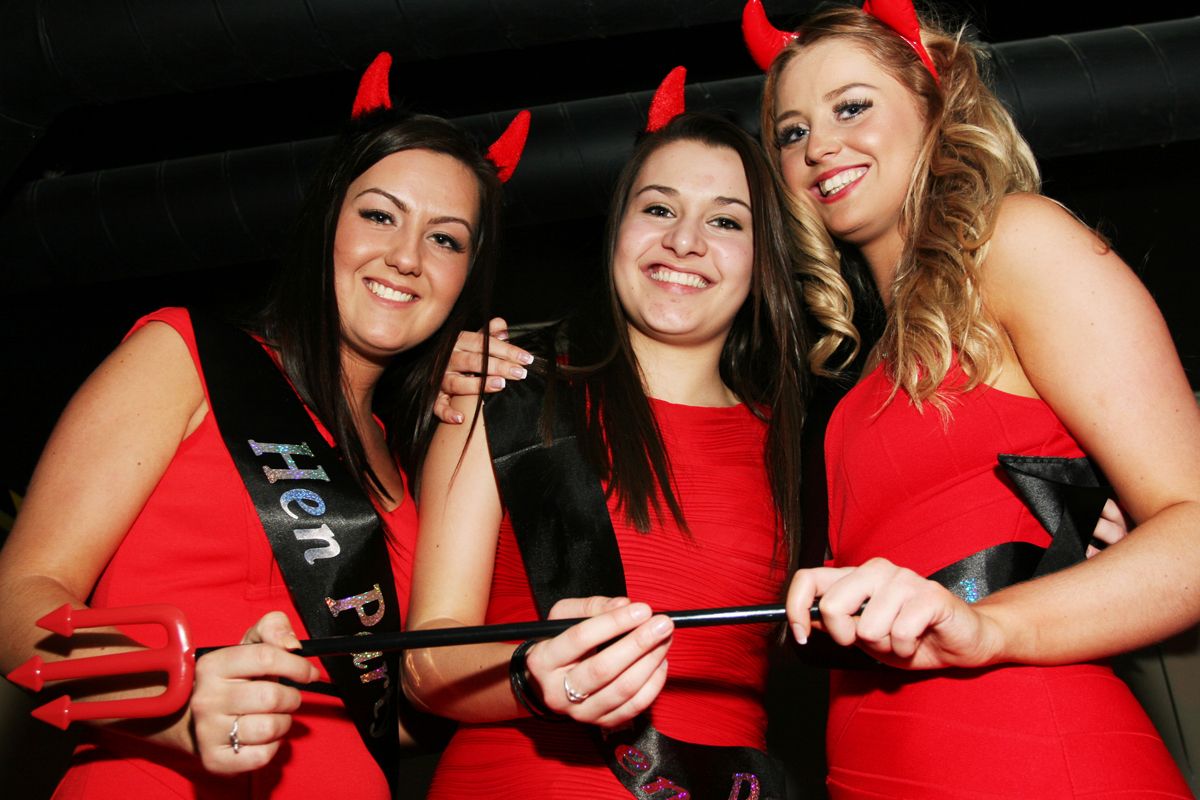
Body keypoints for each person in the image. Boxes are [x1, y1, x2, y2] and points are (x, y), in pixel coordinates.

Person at [741, 2, 1200, 797]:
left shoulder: (1015, 240)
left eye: (852, 107)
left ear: (936, 101)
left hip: (1029, 753)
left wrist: (989, 626)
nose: (817, 147)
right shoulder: (867, 368)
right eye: (791, 131)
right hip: (876, 766)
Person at [0, 96, 507, 797]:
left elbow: (388, 716)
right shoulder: (186, 357)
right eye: (379, 215)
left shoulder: (409, 468)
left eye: (445, 240)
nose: (406, 257)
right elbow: (19, 594)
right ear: (325, 220)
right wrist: (173, 701)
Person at [403, 112, 812, 798]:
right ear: (617, 228)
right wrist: (534, 676)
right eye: (659, 209)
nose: (684, 241)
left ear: (765, 256)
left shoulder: (803, 446)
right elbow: (424, 663)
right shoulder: (504, 390)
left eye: (725, 221)